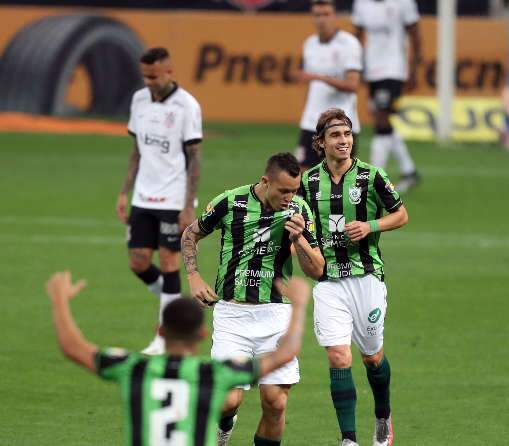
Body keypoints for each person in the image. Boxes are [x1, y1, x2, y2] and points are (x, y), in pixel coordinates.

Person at [45, 270, 310, 446]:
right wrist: (298, 306)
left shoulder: (134, 367)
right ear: (202, 334)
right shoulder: (214, 374)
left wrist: (59, 300)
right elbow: (285, 353)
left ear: (159, 330)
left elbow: (72, 347)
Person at [181, 153, 324, 446]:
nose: (289, 197)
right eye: (283, 190)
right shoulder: (231, 202)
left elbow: (317, 269)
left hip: (276, 316)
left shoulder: (299, 210)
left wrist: (299, 241)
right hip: (233, 315)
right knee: (228, 400)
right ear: (265, 181)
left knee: (275, 403)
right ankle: (225, 424)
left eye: (294, 191)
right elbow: (190, 234)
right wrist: (193, 275)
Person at [298, 108, 409, 446]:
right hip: (329, 281)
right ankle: (348, 438)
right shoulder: (306, 182)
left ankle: (383, 416)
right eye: (336, 136)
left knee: (372, 357)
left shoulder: (371, 176)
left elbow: (402, 214)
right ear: (321, 142)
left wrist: (370, 225)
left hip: (366, 278)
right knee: (338, 356)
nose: (344, 141)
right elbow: (297, 228)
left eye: (347, 135)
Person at [116, 47, 203, 355]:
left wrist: (188, 204)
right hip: (143, 195)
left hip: (172, 197)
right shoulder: (139, 100)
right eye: (145, 76)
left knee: (168, 263)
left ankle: (165, 336)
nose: (149, 82)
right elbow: (137, 150)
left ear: (169, 72)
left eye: (153, 76)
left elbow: (195, 157)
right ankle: (175, 300)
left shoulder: (187, 106)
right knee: (138, 262)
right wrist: (124, 192)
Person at [352, 0, 422, 192]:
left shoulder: (404, 3)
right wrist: (356, 66)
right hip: (372, 70)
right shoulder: (361, 4)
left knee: (382, 121)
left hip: (393, 69)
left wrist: (415, 69)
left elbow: (415, 34)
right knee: (382, 121)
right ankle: (409, 170)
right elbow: (357, 36)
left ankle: (374, 179)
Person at [294, 0, 363, 170]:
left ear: (334, 17)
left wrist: (321, 78)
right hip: (311, 123)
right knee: (301, 179)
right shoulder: (309, 44)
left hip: (341, 124)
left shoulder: (349, 44)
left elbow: (353, 85)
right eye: (317, 15)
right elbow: (310, 84)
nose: (321, 20)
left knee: (340, 180)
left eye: (326, 14)